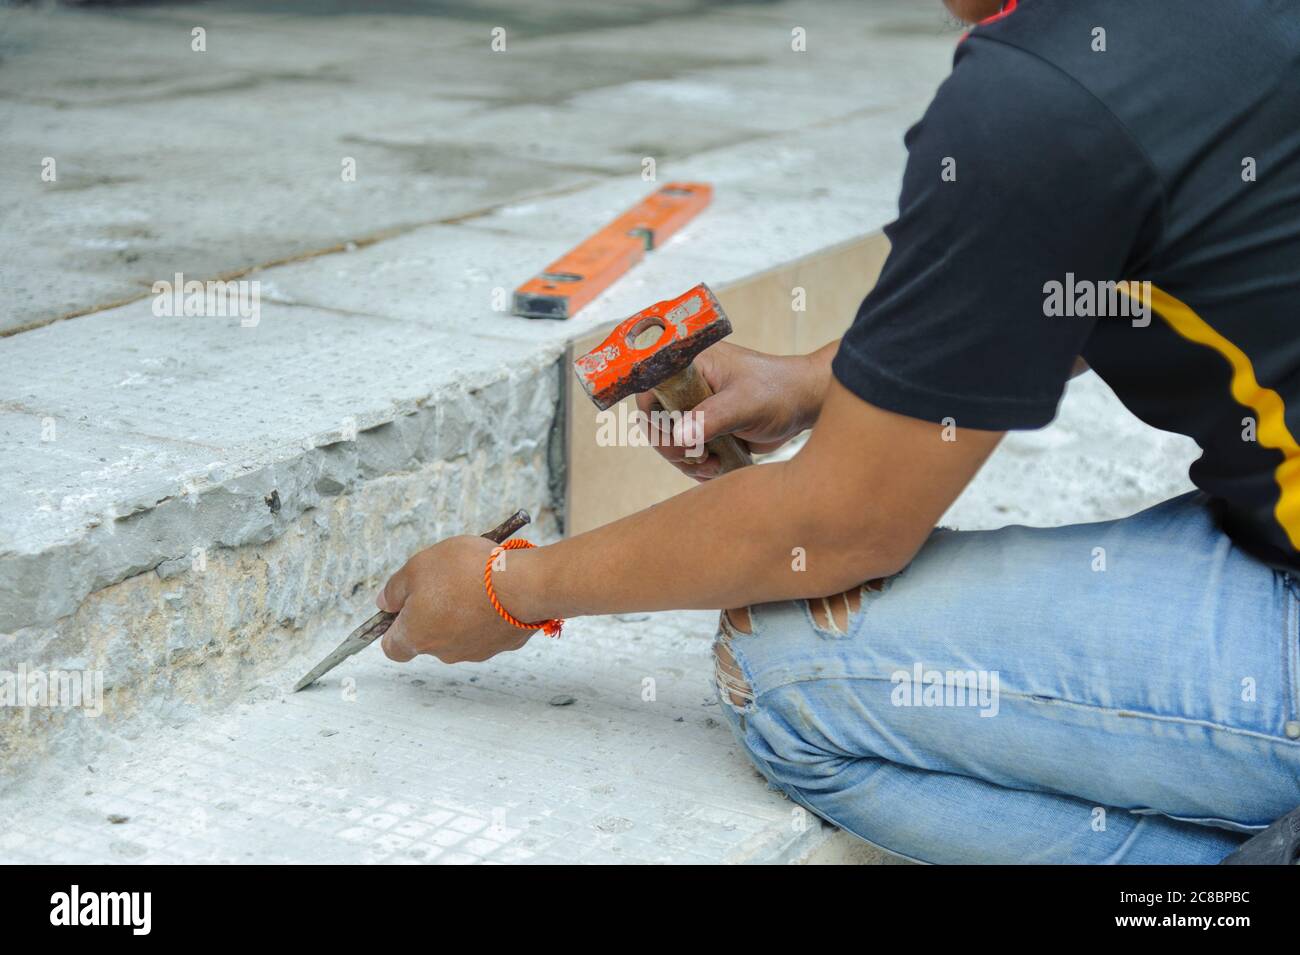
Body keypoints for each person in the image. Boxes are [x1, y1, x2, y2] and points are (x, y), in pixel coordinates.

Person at [376, 0, 1300, 863]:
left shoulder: (1040, 100)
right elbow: (1109, 263)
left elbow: (835, 529)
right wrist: (824, 379)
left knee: (781, 669)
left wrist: (511, 588)